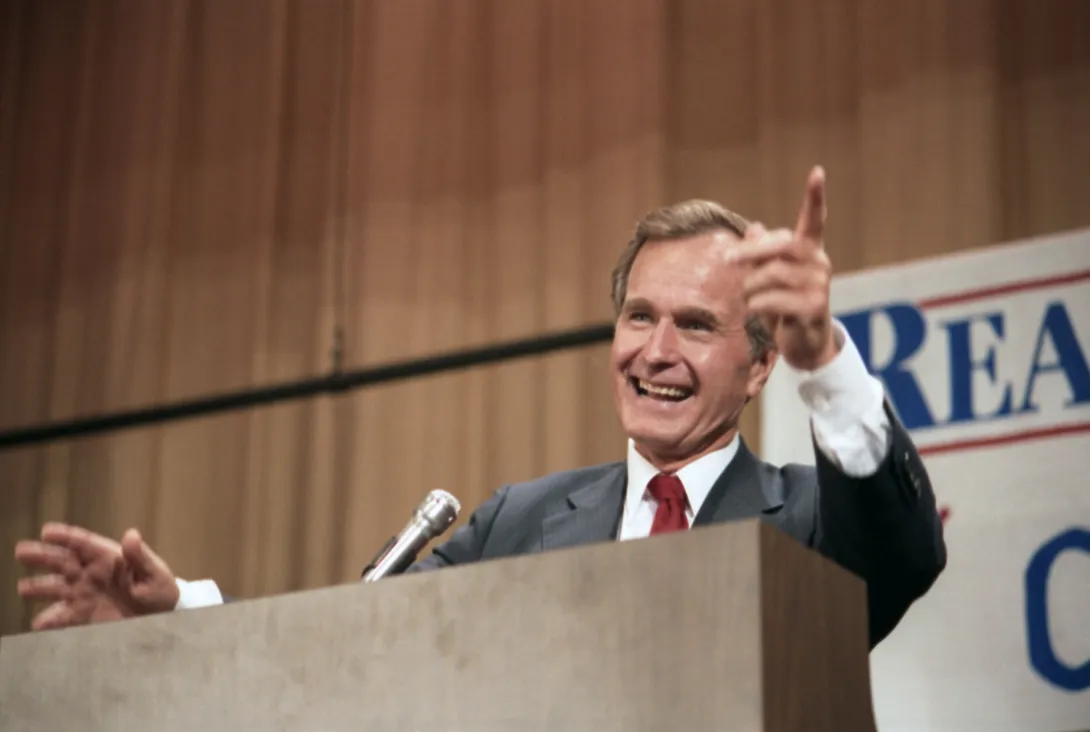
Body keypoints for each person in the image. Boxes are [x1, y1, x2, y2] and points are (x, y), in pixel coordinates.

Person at [14, 167, 946, 648]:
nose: (655, 351)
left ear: (758, 367)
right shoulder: (519, 520)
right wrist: (178, 611)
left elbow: (906, 556)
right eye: (637, 317)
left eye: (696, 325)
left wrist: (825, 356)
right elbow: (351, 643)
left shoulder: (815, 517)